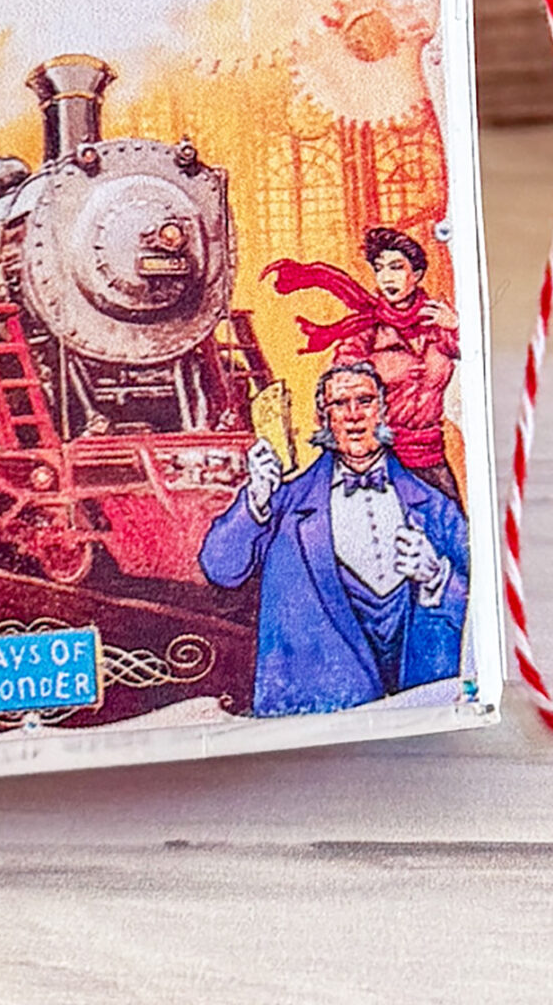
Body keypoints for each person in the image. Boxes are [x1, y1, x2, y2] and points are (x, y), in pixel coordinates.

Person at [198, 357, 469, 718]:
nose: (354, 414)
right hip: (317, 712)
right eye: (339, 404)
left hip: (422, 708)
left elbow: (482, 604)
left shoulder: (434, 506)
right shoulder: (287, 501)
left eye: (365, 401)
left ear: (384, 412)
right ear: (322, 420)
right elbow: (220, 568)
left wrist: (439, 577)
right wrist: (256, 500)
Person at [267, 227, 464, 501]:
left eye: (396, 268)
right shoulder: (365, 330)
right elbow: (339, 382)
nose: (387, 278)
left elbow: (474, 358)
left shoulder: (439, 324)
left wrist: (457, 327)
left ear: (417, 275)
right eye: (380, 269)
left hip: (432, 460)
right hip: (382, 462)